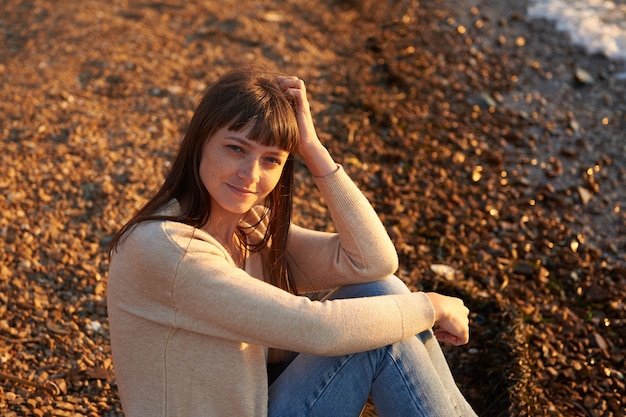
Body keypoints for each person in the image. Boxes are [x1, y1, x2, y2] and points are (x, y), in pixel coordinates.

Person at [107, 69, 477, 417]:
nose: (250, 174)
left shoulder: (246, 227)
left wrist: (314, 150)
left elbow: (372, 263)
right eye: (235, 148)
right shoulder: (167, 248)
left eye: (271, 159)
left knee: (383, 290)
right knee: (387, 333)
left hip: (261, 401)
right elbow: (318, 329)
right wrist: (429, 306)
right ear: (200, 142)